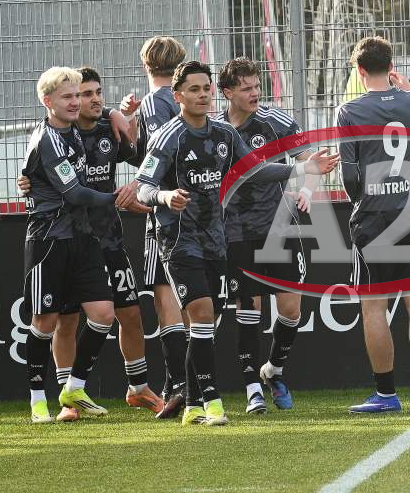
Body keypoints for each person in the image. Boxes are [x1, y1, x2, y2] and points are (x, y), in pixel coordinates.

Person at [135, 61, 338, 426]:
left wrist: (303, 171)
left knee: (218, 317)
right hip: (187, 239)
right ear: (178, 96)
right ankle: (220, 398)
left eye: (205, 88)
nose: (203, 95)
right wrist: (164, 197)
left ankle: (196, 399)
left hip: (227, 239)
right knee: (207, 313)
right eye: (194, 89)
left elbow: (254, 170)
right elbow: (143, 186)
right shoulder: (168, 136)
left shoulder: (227, 133)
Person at [336, 36, 410, 414]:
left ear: (360, 70)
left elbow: (350, 176)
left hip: (374, 218)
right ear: (391, 66)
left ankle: (386, 394)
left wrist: (365, 199)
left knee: (374, 307)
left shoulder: (349, 111)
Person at [47, 66, 163, 420]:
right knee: (67, 321)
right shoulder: (57, 136)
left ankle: (138, 388)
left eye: (98, 92)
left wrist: (122, 117)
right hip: (71, 241)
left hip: (110, 239)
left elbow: (143, 157)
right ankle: (69, 399)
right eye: (86, 94)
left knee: (131, 314)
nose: (95, 99)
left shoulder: (107, 129)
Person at [215, 57, 317, 415]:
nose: (255, 93)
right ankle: (252, 388)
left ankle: (273, 370)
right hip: (236, 231)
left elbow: (310, 159)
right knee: (249, 308)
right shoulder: (215, 130)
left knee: (291, 310)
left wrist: (306, 191)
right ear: (227, 92)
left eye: (257, 86)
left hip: (279, 226)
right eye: (246, 88)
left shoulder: (276, 121)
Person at [20, 67, 119, 423]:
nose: (76, 102)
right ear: (48, 102)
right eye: (68, 97)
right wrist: (117, 198)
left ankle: (74, 387)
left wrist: (116, 112)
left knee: (103, 314)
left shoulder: (73, 126)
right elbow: (75, 193)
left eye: (78, 95)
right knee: (45, 320)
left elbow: (99, 110)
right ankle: (37, 399)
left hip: (82, 236)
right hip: (49, 240)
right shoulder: (47, 140)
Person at [124, 36, 191, 419]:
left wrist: (144, 189)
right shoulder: (185, 101)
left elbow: (156, 156)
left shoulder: (153, 102)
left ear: (145, 65)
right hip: (196, 208)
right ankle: (183, 384)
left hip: (166, 211)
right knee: (191, 299)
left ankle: (181, 384)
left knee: (165, 297)